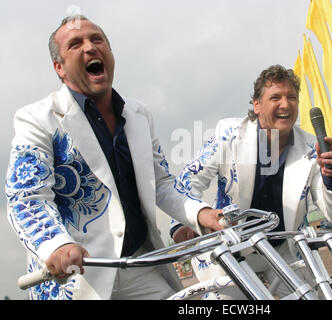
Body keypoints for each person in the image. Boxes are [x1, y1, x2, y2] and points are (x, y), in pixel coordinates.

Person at [5, 15, 222, 300]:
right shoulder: (37, 119)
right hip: (78, 279)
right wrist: (56, 246)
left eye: (97, 40)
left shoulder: (139, 115)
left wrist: (201, 213)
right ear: (59, 67)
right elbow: (27, 197)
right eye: (75, 44)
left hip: (140, 266)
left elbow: (163, 183)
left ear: (110, 53)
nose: (90, 47)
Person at [171, 65, 332, 299]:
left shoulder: (311, 149)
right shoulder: (229, 134)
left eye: (292, 97)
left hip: (282, 251)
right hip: (228, 250)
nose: (285, 105)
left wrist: (331, 178)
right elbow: (189, 180)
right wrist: (182, 222)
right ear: (256, 105)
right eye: (275, 97)